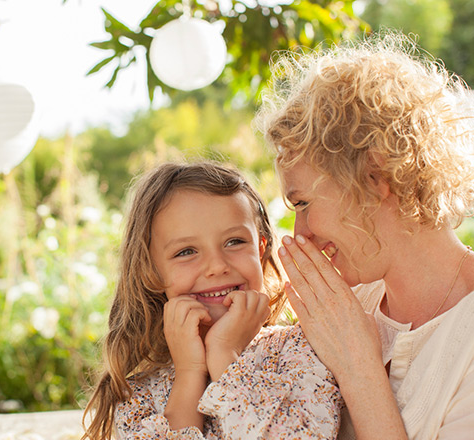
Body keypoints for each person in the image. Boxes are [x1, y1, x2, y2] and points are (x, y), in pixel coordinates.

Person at [258, 32, 474, 440]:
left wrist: (359, 368)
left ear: (374, 177)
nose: (300, 233)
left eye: (302, 203)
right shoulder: (349, 304)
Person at [81, 161, 343, 439]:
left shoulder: (300, 351)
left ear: (261, 249)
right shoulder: (138, 395)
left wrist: (225, 354)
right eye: (186, 251)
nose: (217, 266)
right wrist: (189, 373)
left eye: (234, 242)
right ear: (151, 271)